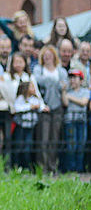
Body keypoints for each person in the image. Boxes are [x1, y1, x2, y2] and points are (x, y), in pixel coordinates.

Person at [34, 44, 67, 174]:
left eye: (50, 55)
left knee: (54, 139)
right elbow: (38, 81)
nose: (48, 57)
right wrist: (55, 83)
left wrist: (49, 82)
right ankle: (42, 168)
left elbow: (65, 85)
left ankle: (52, 167)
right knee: (43, 139)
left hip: (57, 107)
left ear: (54, 56)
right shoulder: (38, 69)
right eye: (45, 55)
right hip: (44, 107)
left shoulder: (61, 70)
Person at [11, 80, 46, 170]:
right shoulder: (20, 98)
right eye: (31, 87)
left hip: (30, 127)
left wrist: (42, 107)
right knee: (18, 147)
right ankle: (16, 166)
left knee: (28, 147)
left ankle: (27, 167)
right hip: (21, 126)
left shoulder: (35, 99)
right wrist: (30, 107)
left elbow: (41, 106)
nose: (34, 89)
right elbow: (17, 108)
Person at [61, 69, 89, 172]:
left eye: (75, 78)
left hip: (81, 121)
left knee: (81, 145)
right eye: (71, 78)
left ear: (81, 80)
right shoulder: (67, 91)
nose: (72, 80)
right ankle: (71, 169)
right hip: (70, 121)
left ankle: (80, 169)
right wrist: (64, 92)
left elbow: (83, 102)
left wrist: (70, 97)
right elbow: (65, 103)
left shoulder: (85, 91)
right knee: (71, 145)